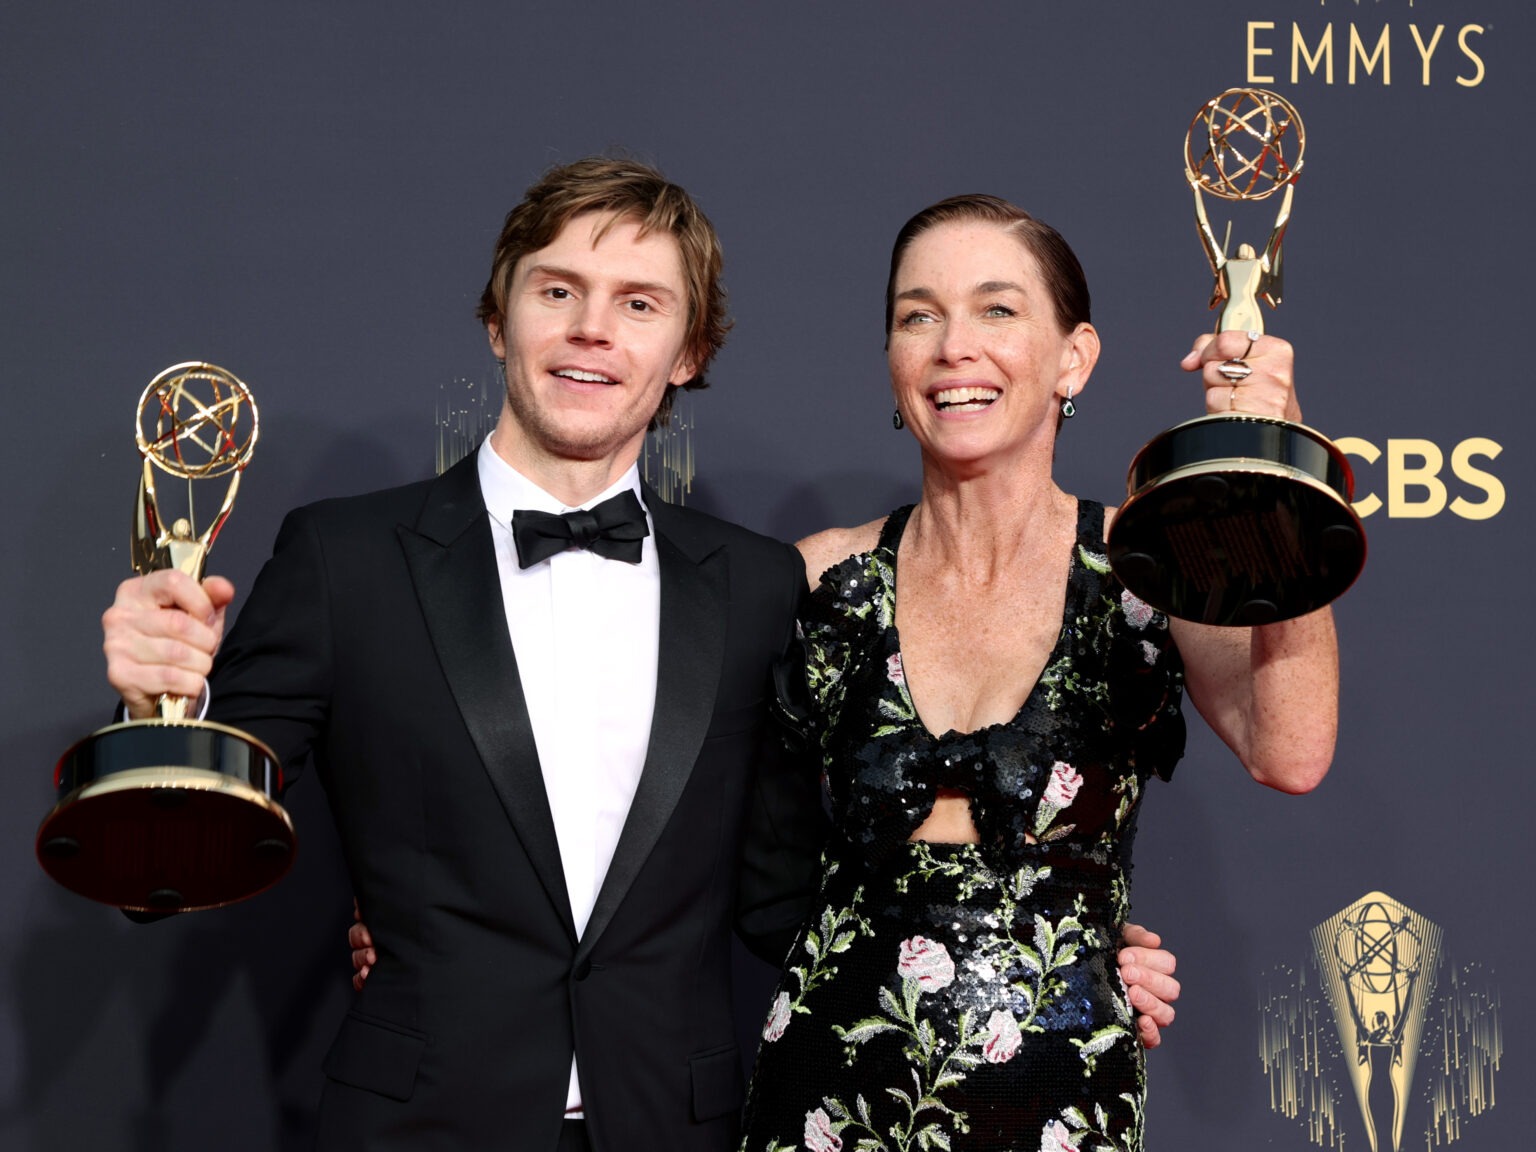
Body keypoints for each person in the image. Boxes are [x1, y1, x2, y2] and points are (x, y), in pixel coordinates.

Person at [102, 160, 1180, 1152]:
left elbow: (788, 894)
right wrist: (152, 711)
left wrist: (1042, 935)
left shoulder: (758, 584)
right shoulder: (344, 559)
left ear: (689, 352)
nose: (590, 333)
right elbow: (173, 865)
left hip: (678, 1127)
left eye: (639, 305)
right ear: (497, 319)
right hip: (415, 1126)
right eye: (555, 291)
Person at [727, 195, 1338, 1152]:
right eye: (917, 314)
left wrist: (1280, 464)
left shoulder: (1145, 574)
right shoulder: (820, 578)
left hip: (1061, 1094)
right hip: (824, 1092)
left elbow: (1291, 749)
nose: (951, 345)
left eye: (997, 310)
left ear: (1073, 358)